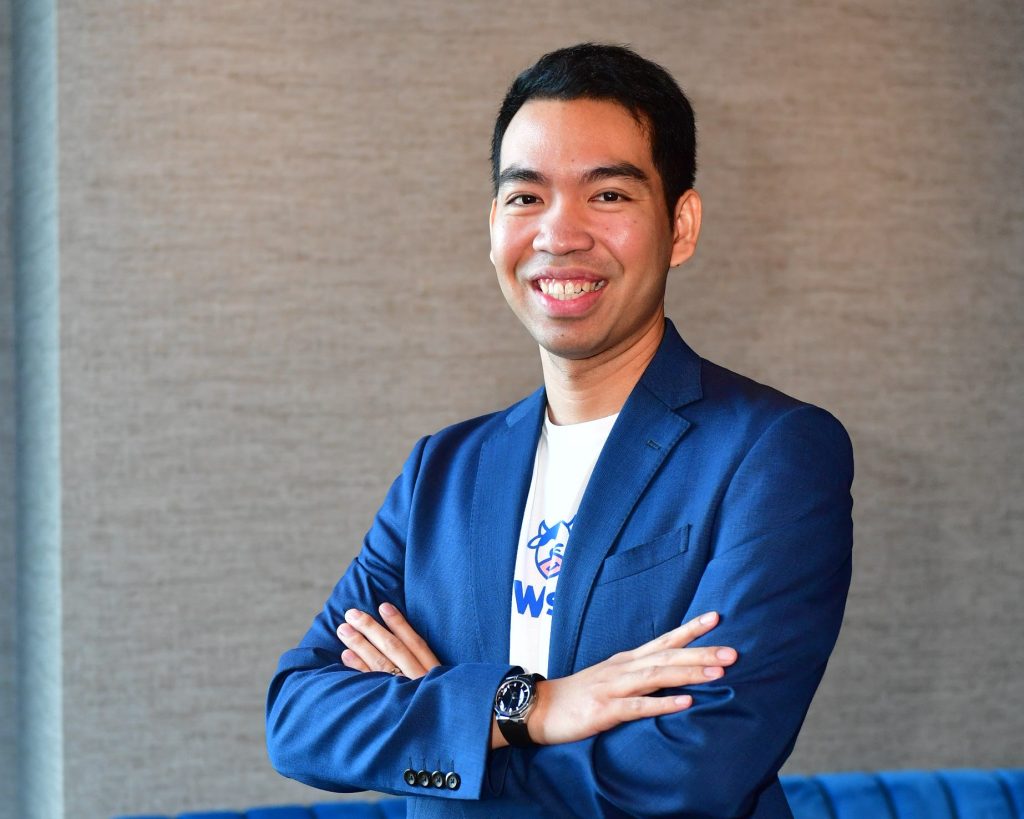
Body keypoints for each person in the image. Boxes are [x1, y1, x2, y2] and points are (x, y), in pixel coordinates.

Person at [266, 43, 854, 819]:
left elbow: (696, 767)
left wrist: (446, 729)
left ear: (680, 226)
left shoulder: (772, 453)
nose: (560, 233)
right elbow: (300, 717)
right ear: (493, 227)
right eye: (526, 196)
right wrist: (531, 707)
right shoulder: (443, 469)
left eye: (607, 194)